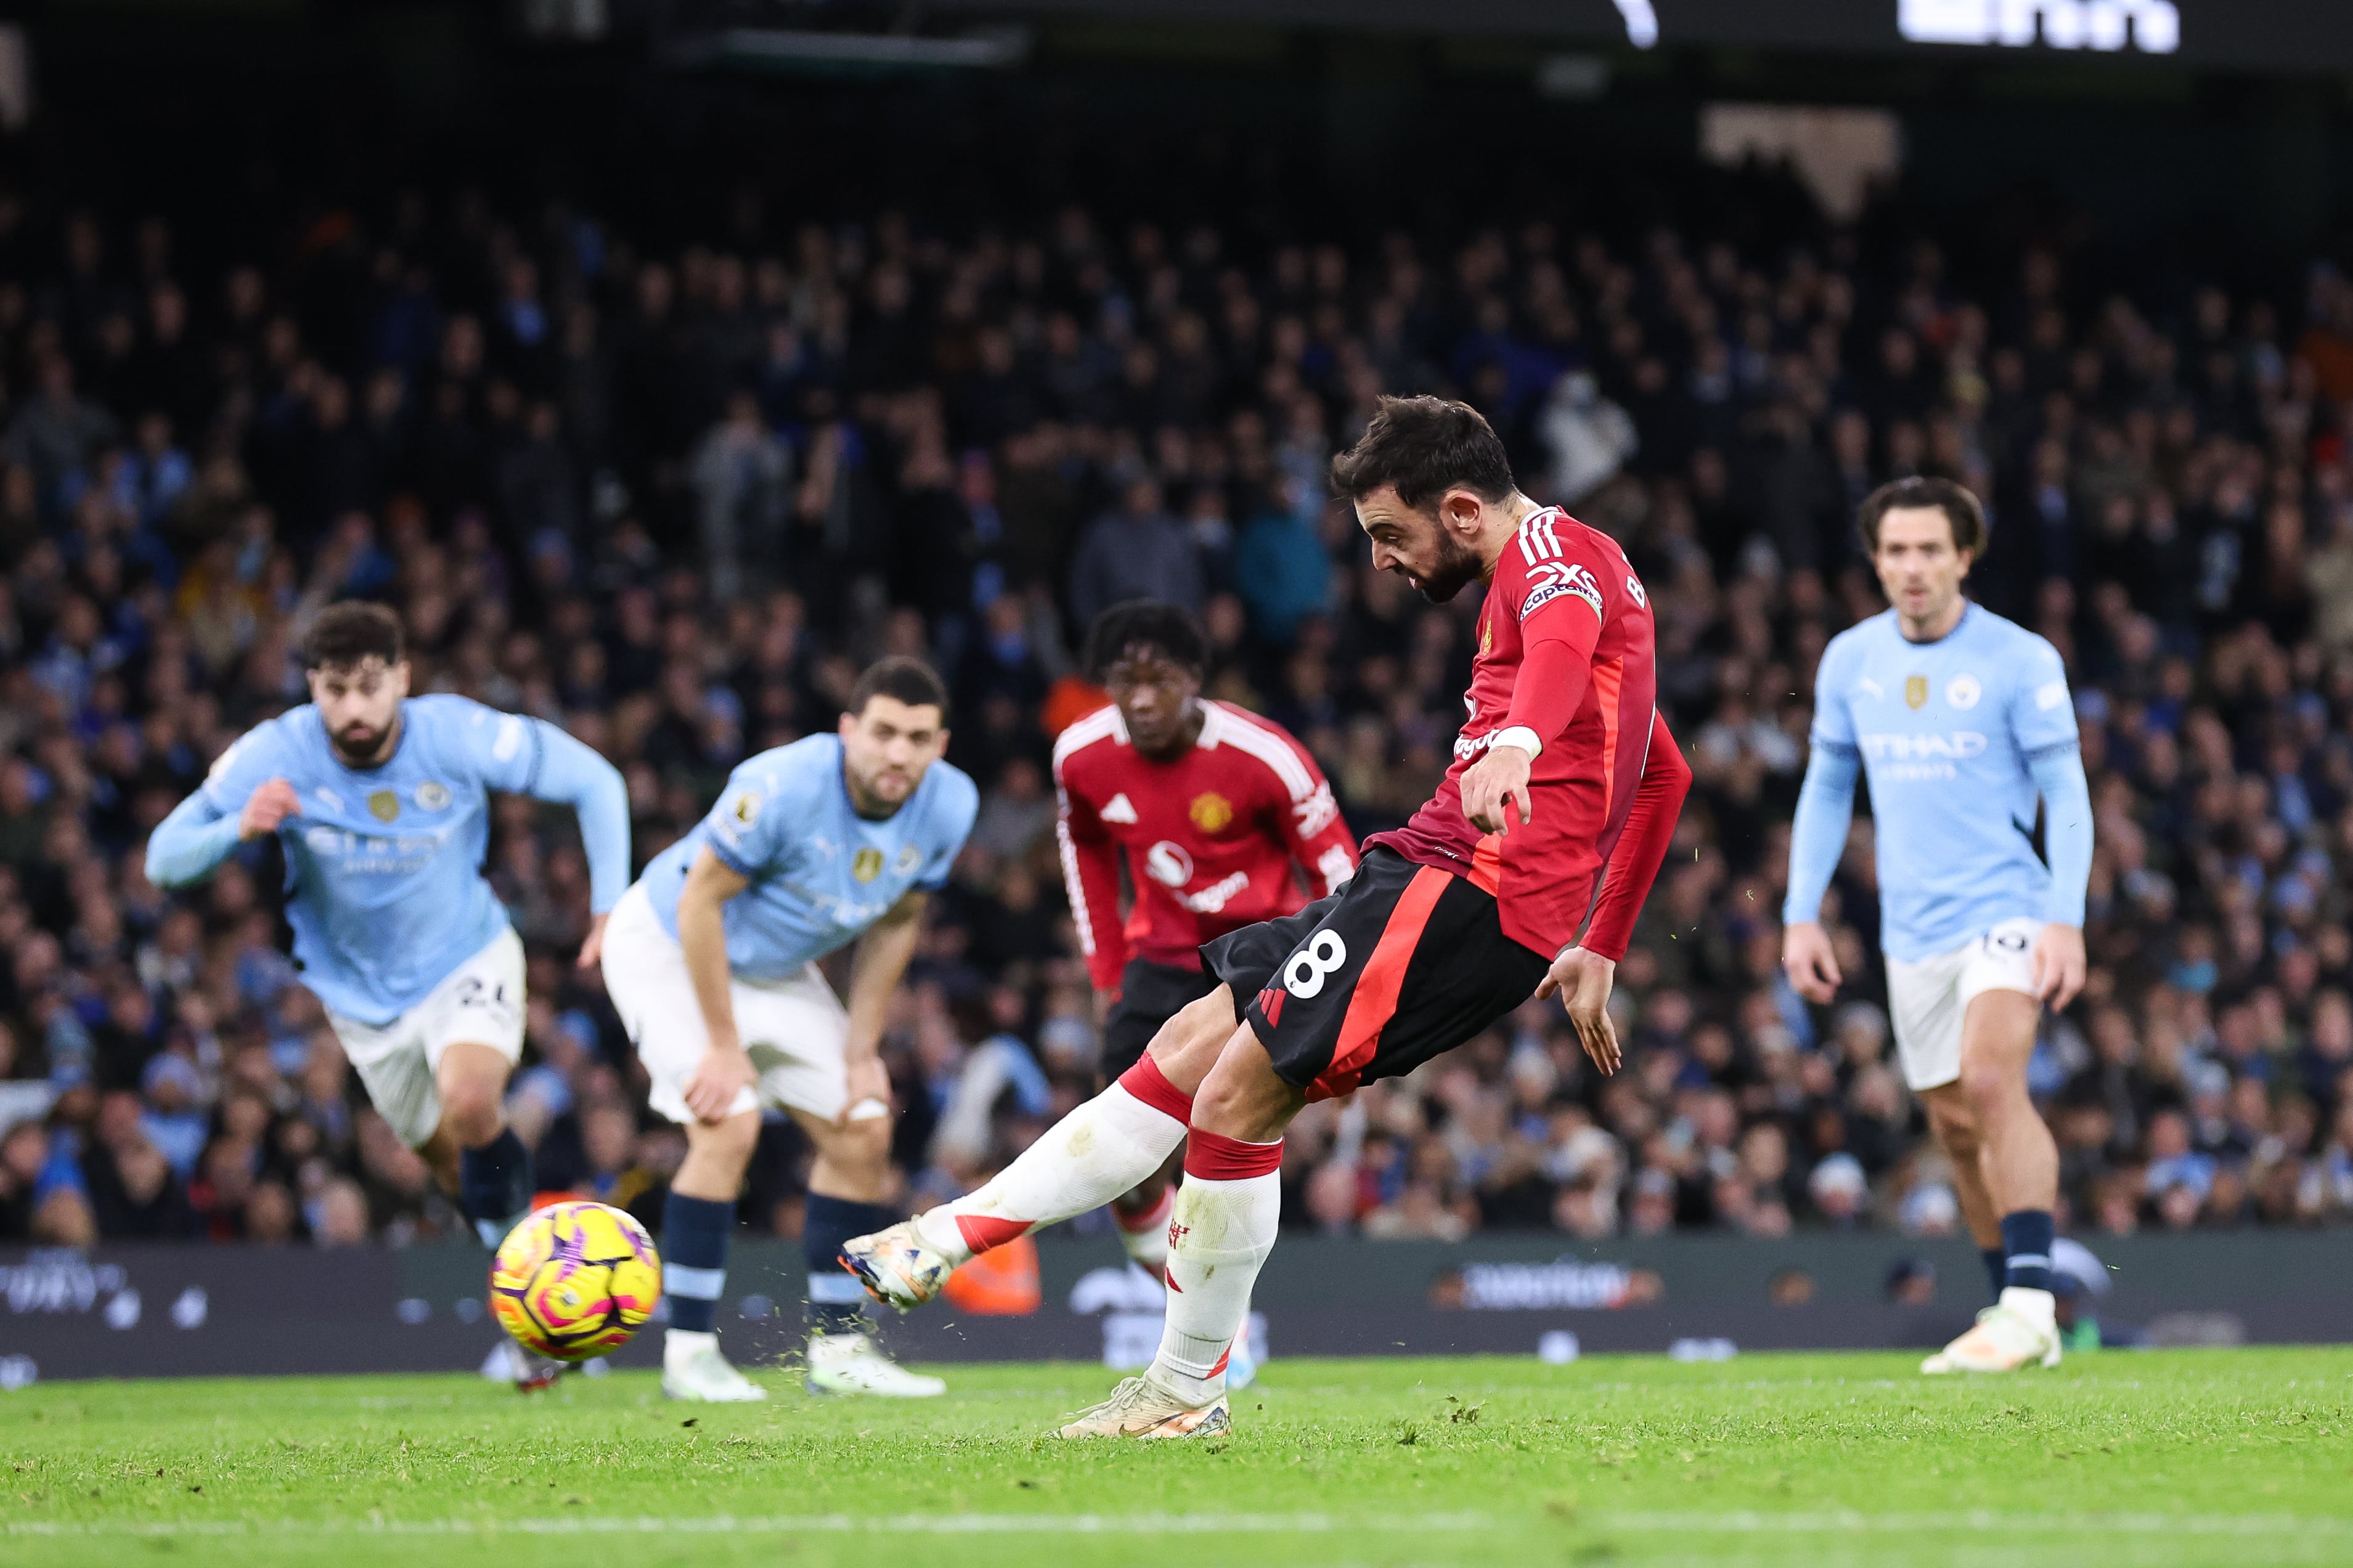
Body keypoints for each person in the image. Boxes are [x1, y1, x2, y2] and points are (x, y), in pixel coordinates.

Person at [842, 396, 1690, 1437]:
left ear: (1462, 511)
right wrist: (1598, 942)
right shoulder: (1586, 569)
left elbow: (1559, 643)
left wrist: (1514, 743)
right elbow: (1662, 774)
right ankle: (941, 1238)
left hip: (1469, 889)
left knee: (1237, 1098)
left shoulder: (1550, 556)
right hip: (1427, 871)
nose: (1380, 560)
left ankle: (1181, 1395)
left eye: (1390, 534)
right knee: (1191, 1042)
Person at [145, 601, 630, 1387]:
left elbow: (596, 780)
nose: (354, 708)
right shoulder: (275, 752)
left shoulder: (457, 732)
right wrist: (234, 830)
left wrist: (610, 903)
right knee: (448, 1165)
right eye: (336, 689)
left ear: (402, 679)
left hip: (466, 956)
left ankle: (545, 1311)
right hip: (362, 1003)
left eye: (371, 686)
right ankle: (542, 1310)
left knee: (471, 1103)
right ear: (312, 688)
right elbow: (163, 860)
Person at [1779, 476, 2093, 1376]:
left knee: (1995, 1080)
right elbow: (1828, 789)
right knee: (1955, 1129)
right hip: (1909, 931)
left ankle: (2031, 1300)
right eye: (1894, 551)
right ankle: (2013, 1312)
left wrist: (2063, 920)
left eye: (1929, 549)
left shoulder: (2019, 658)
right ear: (1875, 561)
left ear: (1963, 556)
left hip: (2006, 906)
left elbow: (2066, 795)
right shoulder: (1849, 660)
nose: (1911, 567)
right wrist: (1801, 912)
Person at [600, 657, 977, 1403]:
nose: (898, 752)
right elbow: (700, 903)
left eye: (917, 737)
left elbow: (899, 920)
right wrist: (722, 1044)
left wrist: (861, 1048)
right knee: (727, 1123)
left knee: (864, 1128)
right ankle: (688, 1354)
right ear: (847, 731)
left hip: (776, 969)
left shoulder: (950, 804)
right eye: (883, 732)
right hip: (671, 945)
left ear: (939, 745)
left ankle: (837, 1352)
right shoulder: (780, 785)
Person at [1054, 599, 1360, 1384]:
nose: (1144, 698)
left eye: (1162, 680)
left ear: (1195, 680)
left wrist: (1353, 995)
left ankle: (1217, 1333)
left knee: (1218, 1143)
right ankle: (1189, 1315)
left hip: (1260, 959)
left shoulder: (1266, 757)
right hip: (1157, 964)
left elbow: (1342, 876)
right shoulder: (1081, 757)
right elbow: (1084, 847)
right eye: (1126, 681)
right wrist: (1104, 970)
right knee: (1120, 1160)